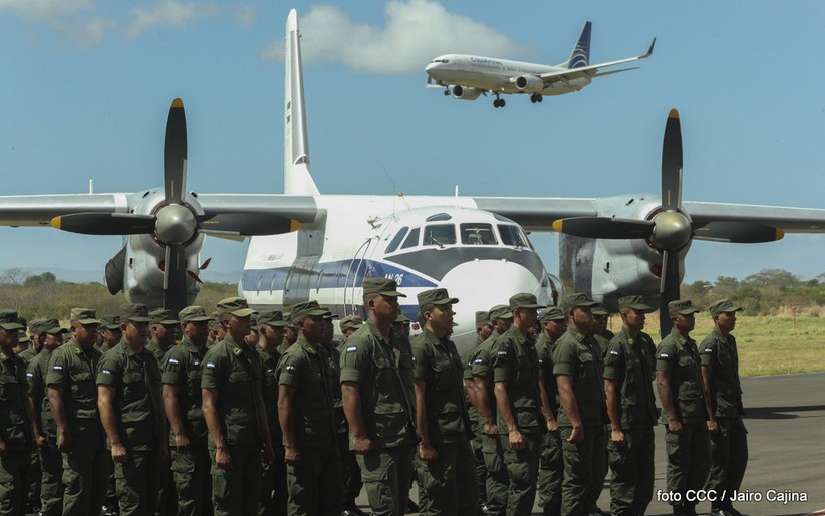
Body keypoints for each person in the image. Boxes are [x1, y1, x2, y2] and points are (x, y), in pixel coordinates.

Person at [340, 278, 417, 516]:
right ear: (372, 302)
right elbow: (349, 391)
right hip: (378, 442)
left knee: (400, 506)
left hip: (402, 437)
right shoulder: (360, 342)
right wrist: (360, 436)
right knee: (384, 509)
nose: (396, 305)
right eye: (390, 299)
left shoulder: (399, 340)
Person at [201, 297, 275, 516]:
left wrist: (268, 442)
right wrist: (220, 447)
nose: (248, 321)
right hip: (229, 444)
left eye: (248, 316)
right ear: (226, 323)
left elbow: (259, 401)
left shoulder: (253, 355)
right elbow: (208, 404)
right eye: (242, 318)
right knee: (228, 505)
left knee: (252, 502)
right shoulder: (218, 355)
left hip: (251, 442)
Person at [412, 288, 479, 515]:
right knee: (439, 503)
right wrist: (424, 442)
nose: (451, 313)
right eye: (445, 309)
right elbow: (419, 397)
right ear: (429, 314)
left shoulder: (448, 346)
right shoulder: (422, 348)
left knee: (468, 498)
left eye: (451, 308)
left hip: (458, 435)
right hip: (439, 440)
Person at [97, 303, 166, 516]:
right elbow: (104, 401)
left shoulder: (149, 358)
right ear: (124, 327)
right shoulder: (113, 358)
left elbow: (157, 402)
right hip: (130, 444)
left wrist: (163, 442)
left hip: (152, 442)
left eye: (146, 324)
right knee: (132, 504)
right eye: (138, 325)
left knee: (152, 501)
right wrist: (116, 442)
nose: (144, 329)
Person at [277, 301, 342, 515]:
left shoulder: (321, 352)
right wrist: (289, 445)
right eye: (315, 319)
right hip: (305, 443)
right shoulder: (295, 356)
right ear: (300, 324)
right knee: (303, 502)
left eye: (323, 319)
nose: (322, 324)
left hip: (325, 439)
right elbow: (284, 402)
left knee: (329, 499)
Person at [490, 294, 550, 516]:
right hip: (518, 426)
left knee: (529, 484)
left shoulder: (529, 342)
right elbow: (499, 388)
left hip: (532, 424)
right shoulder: (507, 343)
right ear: (517, 313)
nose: (536, 315)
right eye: (531, 311)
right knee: (521, 484)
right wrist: (512, 429)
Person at [47, 308, 110, 516]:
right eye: (89, 328)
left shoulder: (98, 356)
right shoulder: (62, 355)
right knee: (77, 487)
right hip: (76, 434)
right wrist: (63, 430)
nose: (95, 332)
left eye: (96, 328)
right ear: (74, 329)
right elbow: (54, 395)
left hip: (98, 433)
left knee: (98, 487)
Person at [603, 296, 658, 516]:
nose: (643, 316)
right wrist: (615, 428)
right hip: (626, 426)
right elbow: (610, 388)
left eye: (644, 313)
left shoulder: (645, 342)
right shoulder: (617, 345)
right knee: (625, 485)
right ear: (625, 315)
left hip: (644, 422)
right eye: (639, 313)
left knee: (645, 484)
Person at [552, 292, 605, 516]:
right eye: (584, 310)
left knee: (596, 474)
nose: (590, 313)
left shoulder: (590, 342)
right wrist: (575, 423)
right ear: (571, 314)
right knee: (576, 480)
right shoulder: (567, 344)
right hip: (577, 423)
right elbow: (564, 387)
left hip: (594, 421)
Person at [656, 299, 710, 516]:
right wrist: (672, 417)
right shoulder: (669, 345)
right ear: (675, 319)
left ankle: (690, 504)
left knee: (702, 463)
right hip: (680, 417)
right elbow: (663, 382)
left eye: (693, 315)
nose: (692, 319)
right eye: (687, 315)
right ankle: (679, 507)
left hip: (696, 416)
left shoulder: (689, 343)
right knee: (680, 465)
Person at [161, 305, 214, 516]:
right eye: (198, 324)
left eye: (206, 324)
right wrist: (178, 432)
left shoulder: (210, 353)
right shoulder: (177, 355)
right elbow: (169, 396)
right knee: (188, 493)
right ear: (184, 327)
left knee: (208, 492)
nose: (204, 329)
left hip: (206, 435)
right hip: (187, 437)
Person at [700, 299, 748, 516]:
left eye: (734, 314)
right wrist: (710, 417)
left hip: (732, 410)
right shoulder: (710, 344)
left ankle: (726, 503)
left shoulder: (730, 340)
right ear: (716, 318)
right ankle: (716, 506)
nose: (733, 318)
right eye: (728, 314)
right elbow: (705, 383)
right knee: (720, 462)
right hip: (718, 412)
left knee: (739, 457)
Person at [468, 304, 513, 516]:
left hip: (505, 417)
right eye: (506, 319)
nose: (510, 322)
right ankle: (491, 506)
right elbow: (477, 387)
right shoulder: (486, 348)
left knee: (508, 469)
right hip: (491, 418)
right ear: (495, 323)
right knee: (493, 467)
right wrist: (487, 421)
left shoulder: (509, 343)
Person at [0, 310, 40, 515]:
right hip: (4, 443)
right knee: (7, 495)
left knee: (23, 492)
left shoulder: (18, 363)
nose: (15, 335)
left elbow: (26, 401)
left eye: (17, 331)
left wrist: (33, 433)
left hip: (21, 439)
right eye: (9, 331)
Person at [26, 319, 67, 516]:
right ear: (43, 339)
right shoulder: (36, 363)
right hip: (47, 429)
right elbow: (31, 400)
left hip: (64, 427)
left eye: (62, 335)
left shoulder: (63, 358)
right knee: (51, 476)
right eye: (56, 336)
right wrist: (36, 433)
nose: (61, 339)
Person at [256, 309, 288, 516]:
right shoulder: (254, 359)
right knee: (261, 492)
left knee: (284, 490)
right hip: (262, 435)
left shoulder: (281, 358)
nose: (282, 333)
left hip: (281, 434)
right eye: (276, 329)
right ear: (262, 330)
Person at [535, 307, 566, 516]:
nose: (562, 324)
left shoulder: (558, 345)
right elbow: (539, 386)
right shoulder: (541, 347)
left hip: (560, 412)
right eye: (557, 322)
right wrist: (548, 417)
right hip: (550, 415)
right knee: (551, 465)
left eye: (563, 321)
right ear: (546, 324)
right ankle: (549, 508)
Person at [463, 311, 491, 513]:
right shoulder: (473, 351)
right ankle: (480, 498)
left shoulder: (491, 348)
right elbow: (471, 387)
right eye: (489, 326)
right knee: (481, 456)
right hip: (477, 412)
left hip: (487, 409)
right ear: (480, 328)